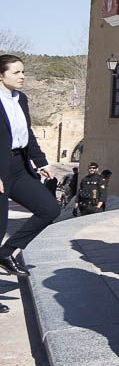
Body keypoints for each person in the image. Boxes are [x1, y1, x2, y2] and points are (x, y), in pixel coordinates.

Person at [0, 54, 60, 287]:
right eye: (16, 72)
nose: (22, 76)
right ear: (1, 75)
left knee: (49, 209)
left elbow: (27, 134)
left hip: (19, 166)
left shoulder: (21, 99)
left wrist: (41, 162)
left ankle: (7, 252)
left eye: (23, 71)